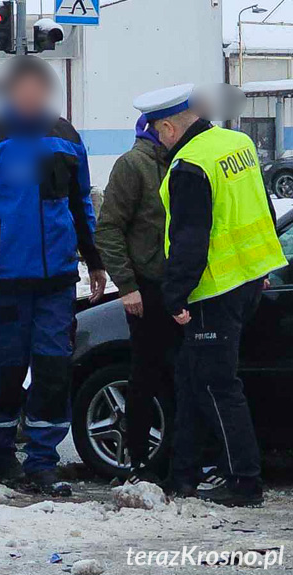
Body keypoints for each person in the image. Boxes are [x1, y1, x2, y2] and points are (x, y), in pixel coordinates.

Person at [0, 56, 106, 496]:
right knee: (4, 369)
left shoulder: (66, 138)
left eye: (40, 88)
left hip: (55, 279)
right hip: (1, 281)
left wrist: (94, 260)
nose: (33, 96)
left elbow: (81, 202)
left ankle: (42, 461)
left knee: (53, 369)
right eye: (24, 88)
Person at [135, 84, 287, 507]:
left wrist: (175, 296)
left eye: (158, 132)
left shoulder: (189, 164)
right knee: (190, 379)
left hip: (213, 290)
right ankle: (182, 473)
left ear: (168, 126)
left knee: (218, 385)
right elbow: (263, 209)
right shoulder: (236, 143)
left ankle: (244, 481)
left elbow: (189, 239)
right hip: (246, 282)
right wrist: (261, 269)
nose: (159, 141)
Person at [95, 115, 176, 485]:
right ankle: (139, 463)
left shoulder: (182, 159)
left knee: (180, 376)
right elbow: (109, 228)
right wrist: (127, 285)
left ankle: (179, 462)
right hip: (148, 286)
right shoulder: (133, 165)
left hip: (182, 287)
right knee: (146, 375)